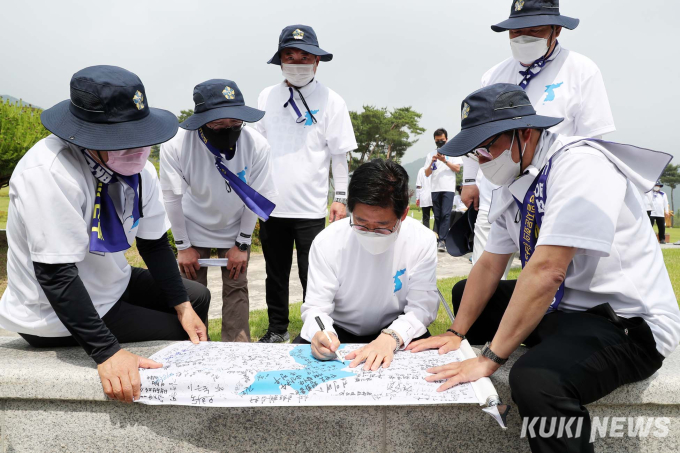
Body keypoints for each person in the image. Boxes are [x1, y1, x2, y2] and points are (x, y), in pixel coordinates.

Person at [408, 84, 680, 452]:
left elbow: (548, 270)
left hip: (625, 323)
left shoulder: (580, 165)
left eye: (489, 147)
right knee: (467, 296)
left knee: (537, 380)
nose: (484, 160)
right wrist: (456, 332)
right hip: (565, 308)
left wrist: (490, 359)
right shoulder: (514, 180)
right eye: (478, 152)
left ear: (526, 132)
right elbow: (490, 263)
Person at [0, 66, 211, 403]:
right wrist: (108, 353)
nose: (137, 150)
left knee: (195, 300)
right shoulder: (50, 172)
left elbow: (153, 243)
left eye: (141, 138)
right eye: (121, 141)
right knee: (178, 336)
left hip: (110, 282)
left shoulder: (141, 170)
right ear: (85, 135)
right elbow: (56, 274)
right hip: (51, 312)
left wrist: (183, 306)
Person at [460, 0, 616, 272]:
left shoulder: (581, 70)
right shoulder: (494, 75)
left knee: (549, 271)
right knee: (486, 267)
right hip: (497, 192)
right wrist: (470, 179)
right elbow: (476, 131)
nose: (523, 38)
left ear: (556, 30)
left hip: (554, 196)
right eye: (515, 32)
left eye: (534, 31)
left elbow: (595, 143)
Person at [253, 24, 357, 343]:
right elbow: (255, 149)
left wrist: (340, 198)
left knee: (312, 274)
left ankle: (315, 328)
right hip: (272, 204)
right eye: (290, 55)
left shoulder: (332, 101)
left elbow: (340, 157)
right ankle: (277, 328)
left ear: (317, 61)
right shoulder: (266, 96)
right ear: (280, 59)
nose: (297, 61)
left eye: (304, 55)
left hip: (311, 207)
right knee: (275, 273)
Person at [160, 79, 277, 342]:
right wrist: (182, 246)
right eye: (218, 125)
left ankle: (237, 351)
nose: (228, 130)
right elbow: (171, 197)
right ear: (201, 120)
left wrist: (243, 244)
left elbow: (254, 199)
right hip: (191, 225)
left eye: (235, 124)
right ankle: (193, 346)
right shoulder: (176, 144)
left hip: (236, 225)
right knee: (191, 292)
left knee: (237, 289)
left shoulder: (257, 145)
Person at [295, 159, 438, 371]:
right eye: (361, 224)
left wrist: (391, 337)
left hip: (396, 328)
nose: (371, 234)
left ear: (403, 215)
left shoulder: (422, 240)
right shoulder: (328, 241)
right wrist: (322, 332)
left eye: (382, 227)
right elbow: (316, 306)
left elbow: (421, 306)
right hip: (338, 329)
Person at [423, 128, 461, 252]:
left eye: (442, 140)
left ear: (446, 139)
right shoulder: (430, 154)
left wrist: (444, 160)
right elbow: (427, 173)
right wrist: (432, 162)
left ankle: (442, 240)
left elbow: (457, 168)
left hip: (448, 188)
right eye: (437, 141)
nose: (440, 142)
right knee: (438, 216)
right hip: (435, 188)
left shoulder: (454, 151)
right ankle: (437, 238)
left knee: (446, 214)